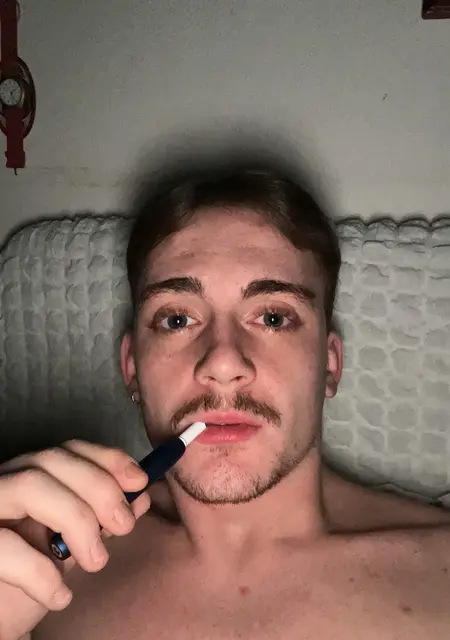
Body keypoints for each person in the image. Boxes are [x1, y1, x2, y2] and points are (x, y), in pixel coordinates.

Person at [1, 165, 450, 640]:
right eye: (176, 320)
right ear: (131, 367)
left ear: (330, 365)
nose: (222, 363)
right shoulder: (39, 555)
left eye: (273, 318)